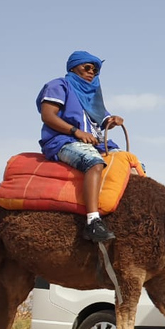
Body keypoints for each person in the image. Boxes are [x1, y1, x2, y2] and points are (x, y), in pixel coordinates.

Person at [36, 51, 124, 243]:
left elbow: (100, 117)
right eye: (87, 67)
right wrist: (76, 132)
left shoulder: (91, 93)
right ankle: (92, 222)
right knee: (94, 163)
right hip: (63, 141)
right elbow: (48, 116)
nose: (91, 72)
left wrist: (112, 120)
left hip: (97, 142)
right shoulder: (59, 86)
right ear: (74, 67)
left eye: (95, 69)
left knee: (131, 166)